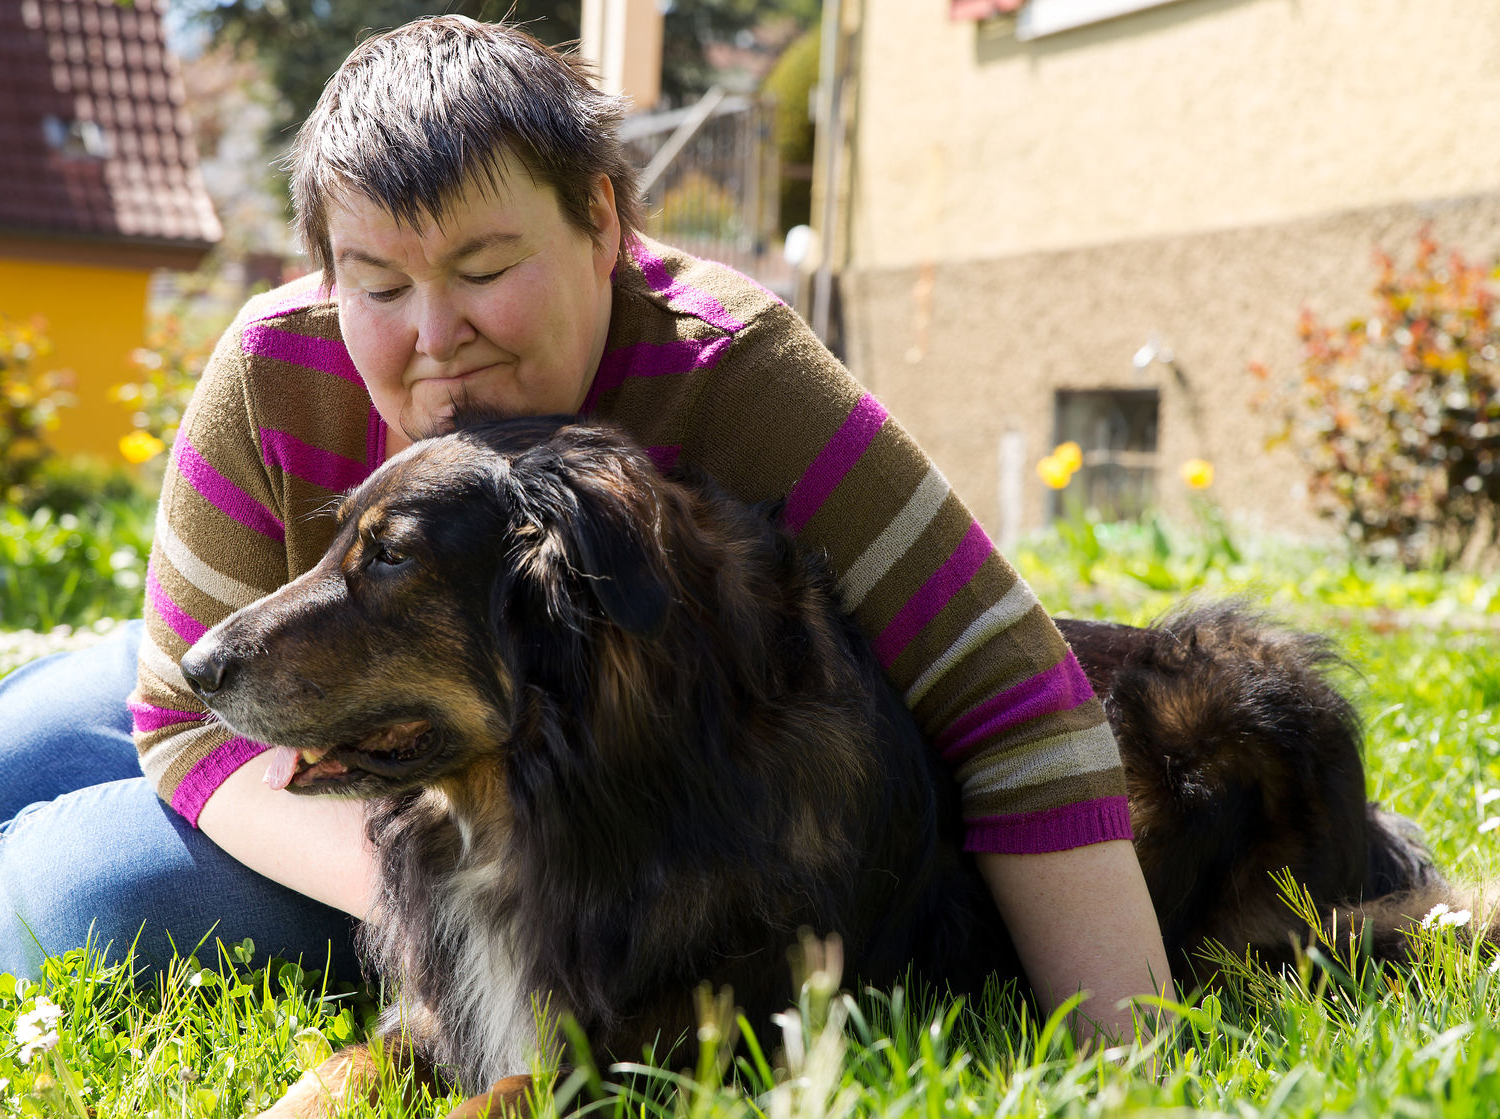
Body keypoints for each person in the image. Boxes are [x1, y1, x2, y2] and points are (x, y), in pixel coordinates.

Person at [0, 15, 1171, 1042]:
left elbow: (1012, 694)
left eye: (485, 265)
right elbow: (181, 721)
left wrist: (1133, 1055)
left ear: (604, 221)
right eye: (379, 285)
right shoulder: (275, 365)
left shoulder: (734, 368)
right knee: (27, 750)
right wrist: (470, 911)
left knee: (79, 893)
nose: (434, 334)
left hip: (492, 781)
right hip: (304, 722)